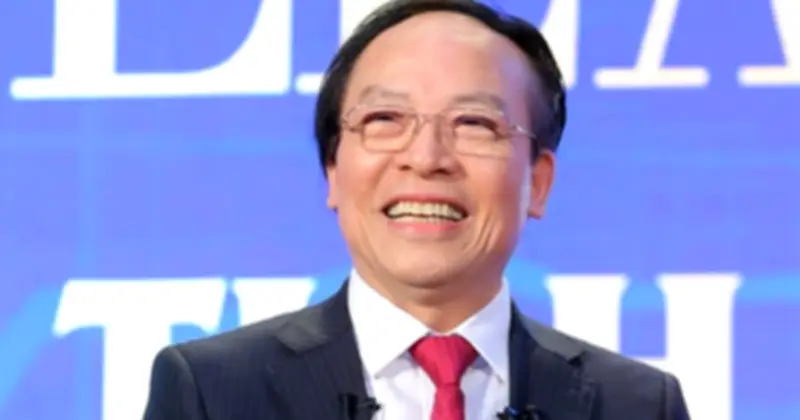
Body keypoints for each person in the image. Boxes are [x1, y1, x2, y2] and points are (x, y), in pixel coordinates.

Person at [143, 0, 691, 419]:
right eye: (384, 119)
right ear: (333, 169)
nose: (426, 158)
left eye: (474, 124)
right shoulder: (213, 391)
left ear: (539, 182)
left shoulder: (636, 404)